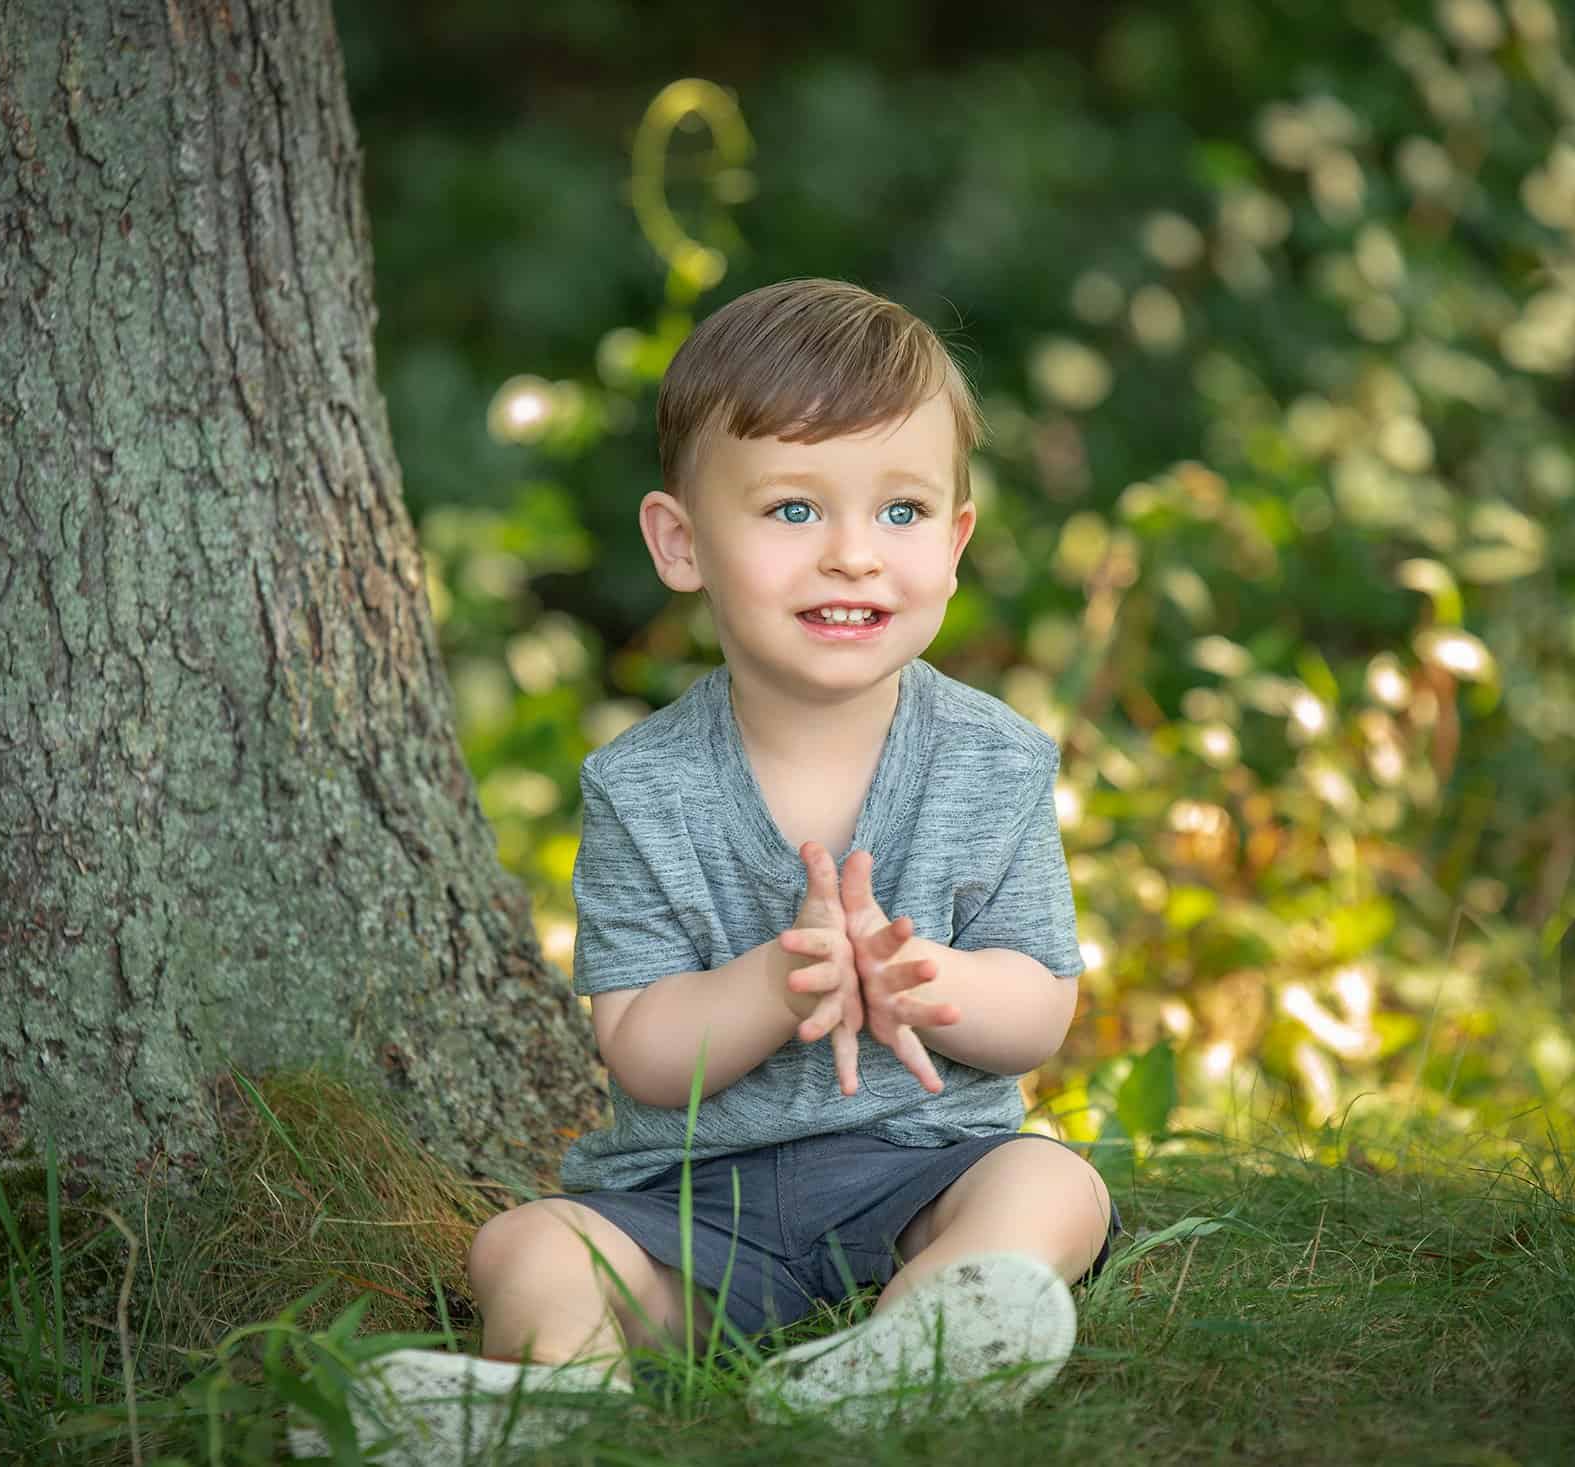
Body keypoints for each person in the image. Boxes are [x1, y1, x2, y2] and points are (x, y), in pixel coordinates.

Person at [290, 278, 1118, 1462]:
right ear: (681, 543)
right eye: (790, 510)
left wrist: (929, 982)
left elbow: (1039, 1003)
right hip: (694, 1209)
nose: (849, 556)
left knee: (1052, 1189)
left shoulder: (992, 759)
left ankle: (920, 1338)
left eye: (899, 512)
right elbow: (637, 1047)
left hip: (922, 1178)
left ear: (954, 541)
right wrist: (774, 991)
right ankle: (559, 1401)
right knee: (522, 1250)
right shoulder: (643, 786)